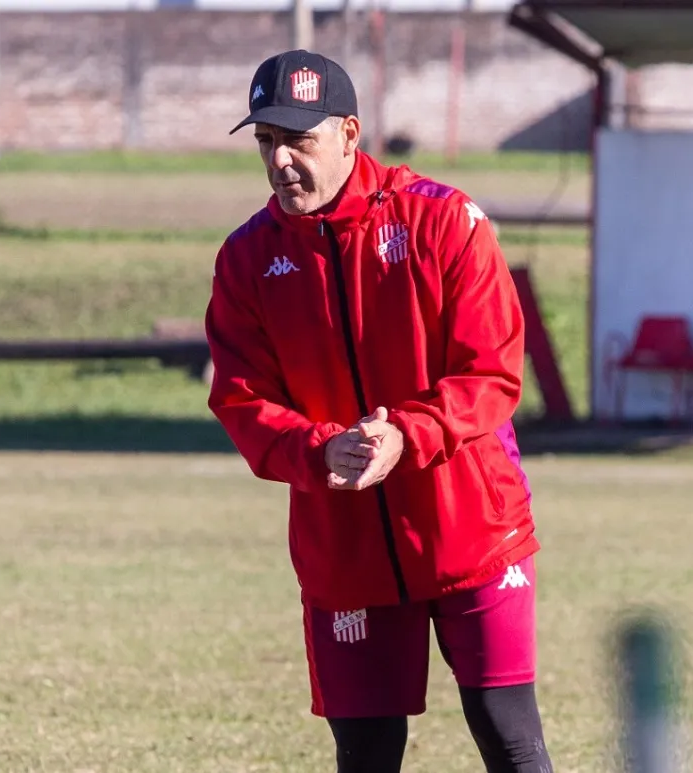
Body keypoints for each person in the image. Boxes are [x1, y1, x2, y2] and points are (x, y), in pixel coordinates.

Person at [204, 49, 555, 773]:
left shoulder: (444, 221)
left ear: (350, 134)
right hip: (345, 546)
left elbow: (491, 371)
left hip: (472, 528)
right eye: (267, 142)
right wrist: (316, 448)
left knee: (509, 736)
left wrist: (408, 433)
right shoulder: (247, 259)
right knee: (365, 754)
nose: (280, 161)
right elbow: (241, 398)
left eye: (299, 140)